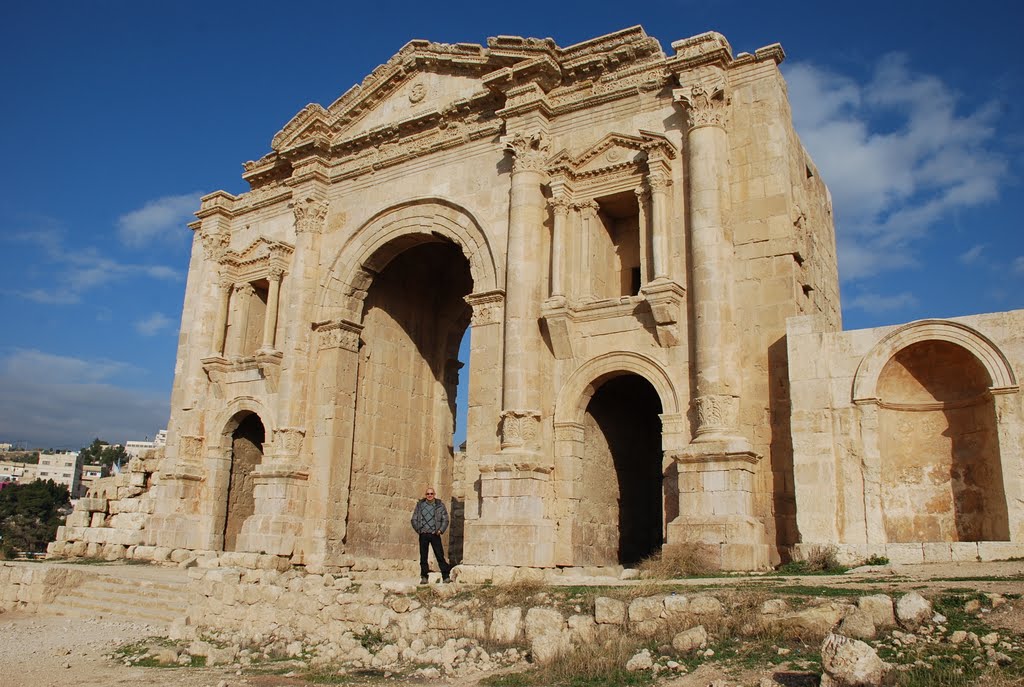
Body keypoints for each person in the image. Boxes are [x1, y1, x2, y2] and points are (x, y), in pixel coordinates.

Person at [410, 486, 451, 584]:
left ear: (434, 495)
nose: (429, 495)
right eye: (428, 494)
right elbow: (414, 519)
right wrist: (418, 530)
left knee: (440, 556)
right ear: (425, 495)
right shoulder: (420, 505)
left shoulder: (440, 505)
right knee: (423, 557)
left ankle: (446, 576)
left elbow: (445, 519)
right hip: (423, 534)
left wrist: (440, 530)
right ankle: (424, 576)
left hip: (435, 534)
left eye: (431, 494)